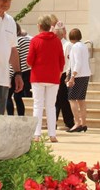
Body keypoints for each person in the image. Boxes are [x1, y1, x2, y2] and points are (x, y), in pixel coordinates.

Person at [27, 14, 66, 142]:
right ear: (50, 26)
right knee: (51, 106)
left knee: (37, 105)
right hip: (53, 76)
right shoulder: (57, 41)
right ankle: (52, 134)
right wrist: (59, 72)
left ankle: (37, 134)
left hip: (38, 76)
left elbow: (30, 60)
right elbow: (62, 60)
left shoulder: (35, 40)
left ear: (39, 26)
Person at [66, 29, 91, 133]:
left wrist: (72, 77)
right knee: (81, 99)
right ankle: (84, 123)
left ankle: (77, 122)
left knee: (72, 98)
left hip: (78, 75)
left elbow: (77, 63)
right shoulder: (84, 46)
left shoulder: (75, 47)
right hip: (85, 74)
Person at [54, 21, 76, 130]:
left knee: (63, 100)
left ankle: (69, 122)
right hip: (56, 74)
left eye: (58, 33)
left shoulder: (67, 45)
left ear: (63, 33)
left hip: (63, 74)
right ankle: (53, 122)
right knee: (56, 100)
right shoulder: (55, 44)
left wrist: (67, 76)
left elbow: (68, 62)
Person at [7, 23, 31, 116]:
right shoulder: (27, 40)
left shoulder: (17, 41)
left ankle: (11, 117)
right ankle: (21, 117)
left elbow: (14, 59)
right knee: (18, 97)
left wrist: (9, 77)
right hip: (27, 71)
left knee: (8, 96)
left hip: (19, 73)